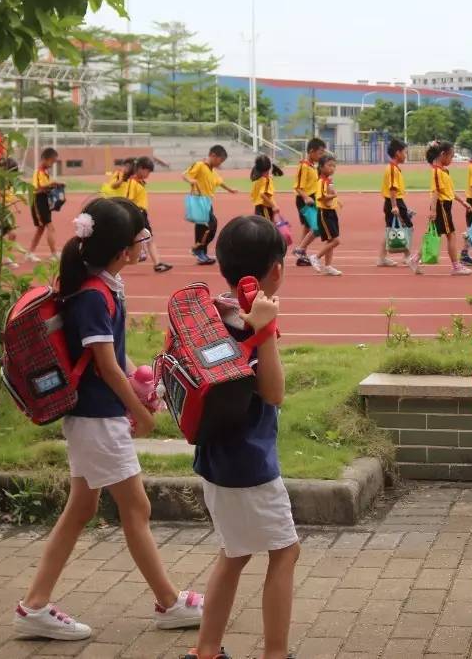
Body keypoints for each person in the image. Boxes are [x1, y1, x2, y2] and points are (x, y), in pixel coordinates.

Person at [14, 198, 203, 641]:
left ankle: (35, 605)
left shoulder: (99, 284)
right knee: (136, 508)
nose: (145, 245)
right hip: (97, 419)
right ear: (122, 250)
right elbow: (104, 365)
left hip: (92, 417)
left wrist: (136, 386)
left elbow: (112, 359)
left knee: (81, 508)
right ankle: (169, 602)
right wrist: (139, 411)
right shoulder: (96, 296)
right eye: (142, 239)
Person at [184, 215, 299, 659]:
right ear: (276, 270)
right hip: (249, 463)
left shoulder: (214, 313)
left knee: (233, 553)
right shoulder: (252, 324)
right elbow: (274, 393)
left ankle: (207, 651)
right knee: (285, 552)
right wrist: (266, 330)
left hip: (214, 457)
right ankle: (275, 653)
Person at [409, 141, 472, 276]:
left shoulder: (443, 171)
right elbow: (436, 191)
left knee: (435, 234)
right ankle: (456, 266)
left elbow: (449, 191)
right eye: (450, 156)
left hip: (445, 205)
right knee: (451, 235)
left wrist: (463, 202)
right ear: (443, 154)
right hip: (441, 206)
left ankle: (415, 259)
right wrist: (433, 210)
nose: (451, 159)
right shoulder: (437, 172)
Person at [184, 146, 236, 266]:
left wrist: (230, 190)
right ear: (213, 155)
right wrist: (190, 181)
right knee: (210, 225)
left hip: (207, 202)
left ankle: (202, 253)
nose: (220, 163)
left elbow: (220, 182)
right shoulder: (199, 165)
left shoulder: (211, 170)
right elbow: (185, 175)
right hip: (199, 200)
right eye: (220, 160)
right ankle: (197, 249)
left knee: (204, 228)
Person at [124, 156, 172, 273]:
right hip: (137, 213)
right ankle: (148, 259)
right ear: (140, 169)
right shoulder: (132, 182)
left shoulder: (140, 182)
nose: (148, 174)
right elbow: (128, 200)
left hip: (142, 213)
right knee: (143, 238)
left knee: (148, 238)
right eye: (148, 171)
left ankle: (155, 262)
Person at [291, 138, 326, 267]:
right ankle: (300, 249)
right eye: (320, 152)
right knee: (317, 228)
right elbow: (298, 186)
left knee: (307, 227)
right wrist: (306, 197)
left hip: (311, 198)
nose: (321, 155)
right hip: (305, 200)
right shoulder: (303, 166)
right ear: (311, 151)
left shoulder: (312, 167)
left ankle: (302, 255)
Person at [307, 154, 343, 277]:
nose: (332, 168)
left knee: (331, 240)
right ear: (321, 167)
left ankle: (328, 266)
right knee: (336, 241)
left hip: (331, 212)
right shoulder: (321, 181)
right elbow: (321, 197)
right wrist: (334, 196)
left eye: (334, 166)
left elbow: (331, 194)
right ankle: (315, 257)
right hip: (324, 213)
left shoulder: (328, 181)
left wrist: (336, 201)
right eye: (329, 165)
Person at [376, 139, 410, 268]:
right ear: (398, 153)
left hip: (394, 201)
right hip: (393, 202)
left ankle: (382, 258)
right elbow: (392, 188)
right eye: (404, 152)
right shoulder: (392, 169)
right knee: (406, 227)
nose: (405, 155)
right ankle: (407, 256)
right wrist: (395, 206)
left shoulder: (394, 168)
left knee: (391, 229)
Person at [28, 148, 62, 263]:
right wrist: (52, 184)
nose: (52, 164)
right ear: (45, 159)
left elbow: (46, 186)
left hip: (44, 201)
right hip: (38, 201)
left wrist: (56, 186)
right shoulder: (38, 172)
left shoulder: (45, 172)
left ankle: (30, 253)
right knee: (49, 227)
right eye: (52, 161)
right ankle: (54, 253)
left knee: (41, 229)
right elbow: (37, 188)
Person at [250, 154, 282, 222]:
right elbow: (262, 194)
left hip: (259, 208)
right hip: (265, 208)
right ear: (269, 167)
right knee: (268, 227)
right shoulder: (266, 181)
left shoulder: (258, 180)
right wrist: (274, 206)